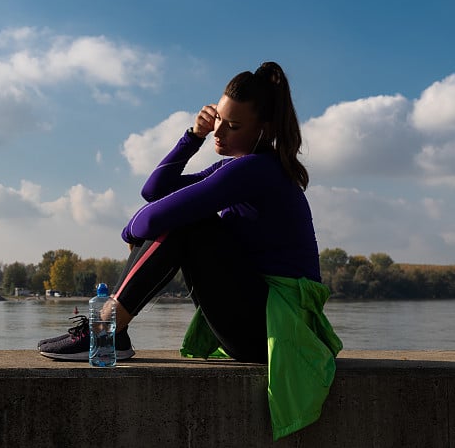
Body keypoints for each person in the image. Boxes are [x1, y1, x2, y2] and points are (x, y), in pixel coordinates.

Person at [38, 61, 330, 364]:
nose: (219, 131)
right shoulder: (240, 168)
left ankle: (106, 329)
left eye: (233, 126)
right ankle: (112, 331)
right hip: (260, 327)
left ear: (263, 129)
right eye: (219, 118)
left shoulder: (257, 170)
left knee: (190, 223)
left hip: (274, 334)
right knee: (185, 217)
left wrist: (130, 230)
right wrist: (192, 136)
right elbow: (154, 191)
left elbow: (152, 217)